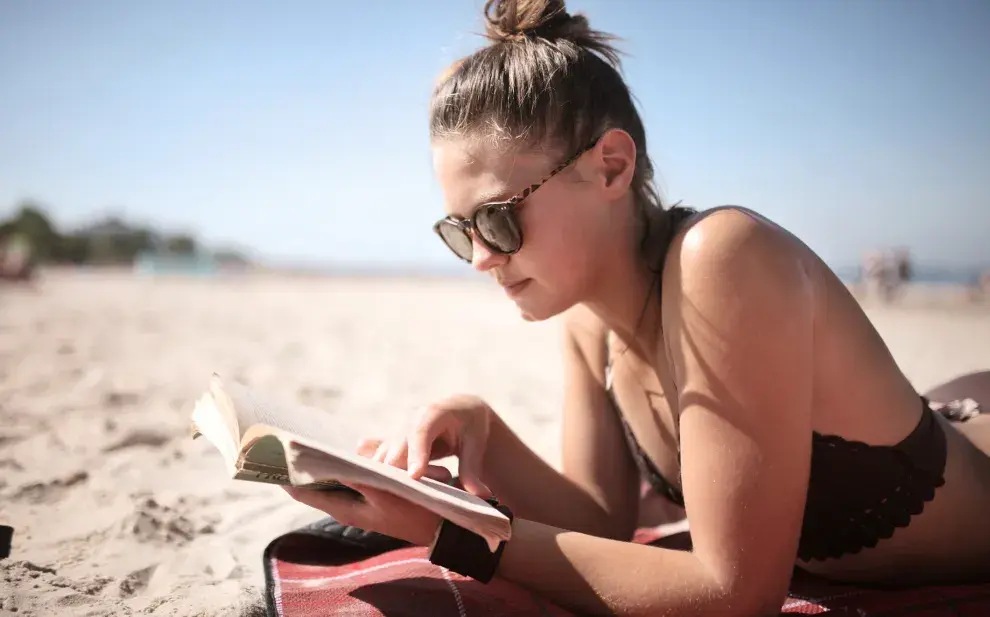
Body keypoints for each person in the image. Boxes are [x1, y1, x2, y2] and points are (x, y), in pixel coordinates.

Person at [284, 0, 990, 614]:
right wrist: (482, 428)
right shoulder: (590, 319)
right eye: (458, 229)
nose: (480, 257)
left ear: (610, 167)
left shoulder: (725, 256)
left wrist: (455, 536)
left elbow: (733, 592)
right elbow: (601, 520)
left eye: (497, 219)